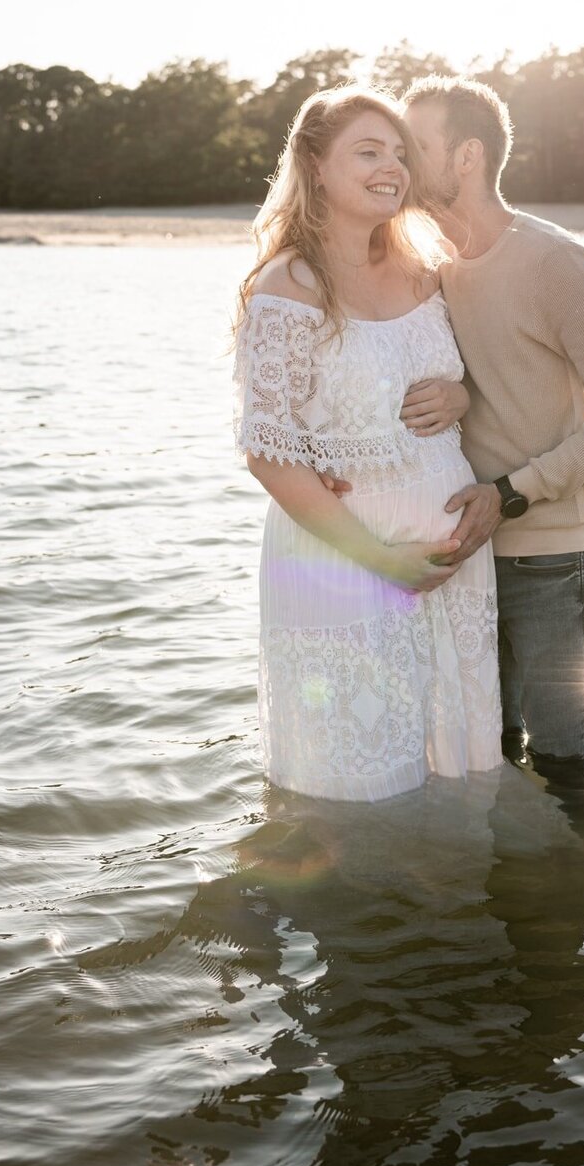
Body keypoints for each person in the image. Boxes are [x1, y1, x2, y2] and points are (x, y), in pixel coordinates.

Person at [232, 86, 503, 801]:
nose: (392, 168)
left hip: (453, 573)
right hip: (347, 567)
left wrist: (462, 394)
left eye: (398, 154)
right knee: (357, 799)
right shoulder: (286, 287)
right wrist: (382, 560)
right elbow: (268, 452)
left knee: (461, 783)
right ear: (315, 165)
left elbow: (463, 382)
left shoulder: (424, 269)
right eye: (367, 152)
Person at [400, 75, 584, 776]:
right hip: (468, 559)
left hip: (554, 566)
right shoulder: (433, 268)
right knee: (489, 763)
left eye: (416, 144)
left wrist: (510, 493)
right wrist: (460, 392)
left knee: (565, 771)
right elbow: (482, 380)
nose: (399, 159)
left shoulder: (557, 263)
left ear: (467, 156)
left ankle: (576, 887)